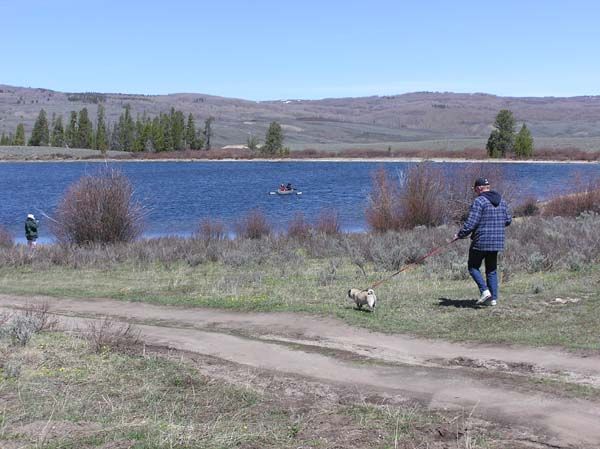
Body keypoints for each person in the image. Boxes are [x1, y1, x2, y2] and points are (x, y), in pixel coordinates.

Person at [455, 178, 511, 306]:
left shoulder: (479, 201)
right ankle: (493, 299)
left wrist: (460, 234)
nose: (475, 192)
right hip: (497, 241)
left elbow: (471, 223)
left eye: (475, 189)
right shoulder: (502, 201)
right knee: (491, 270)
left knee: (473, 267)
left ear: (480, 188)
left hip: (481, 241)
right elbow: (508, 220)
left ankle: (485, 291)